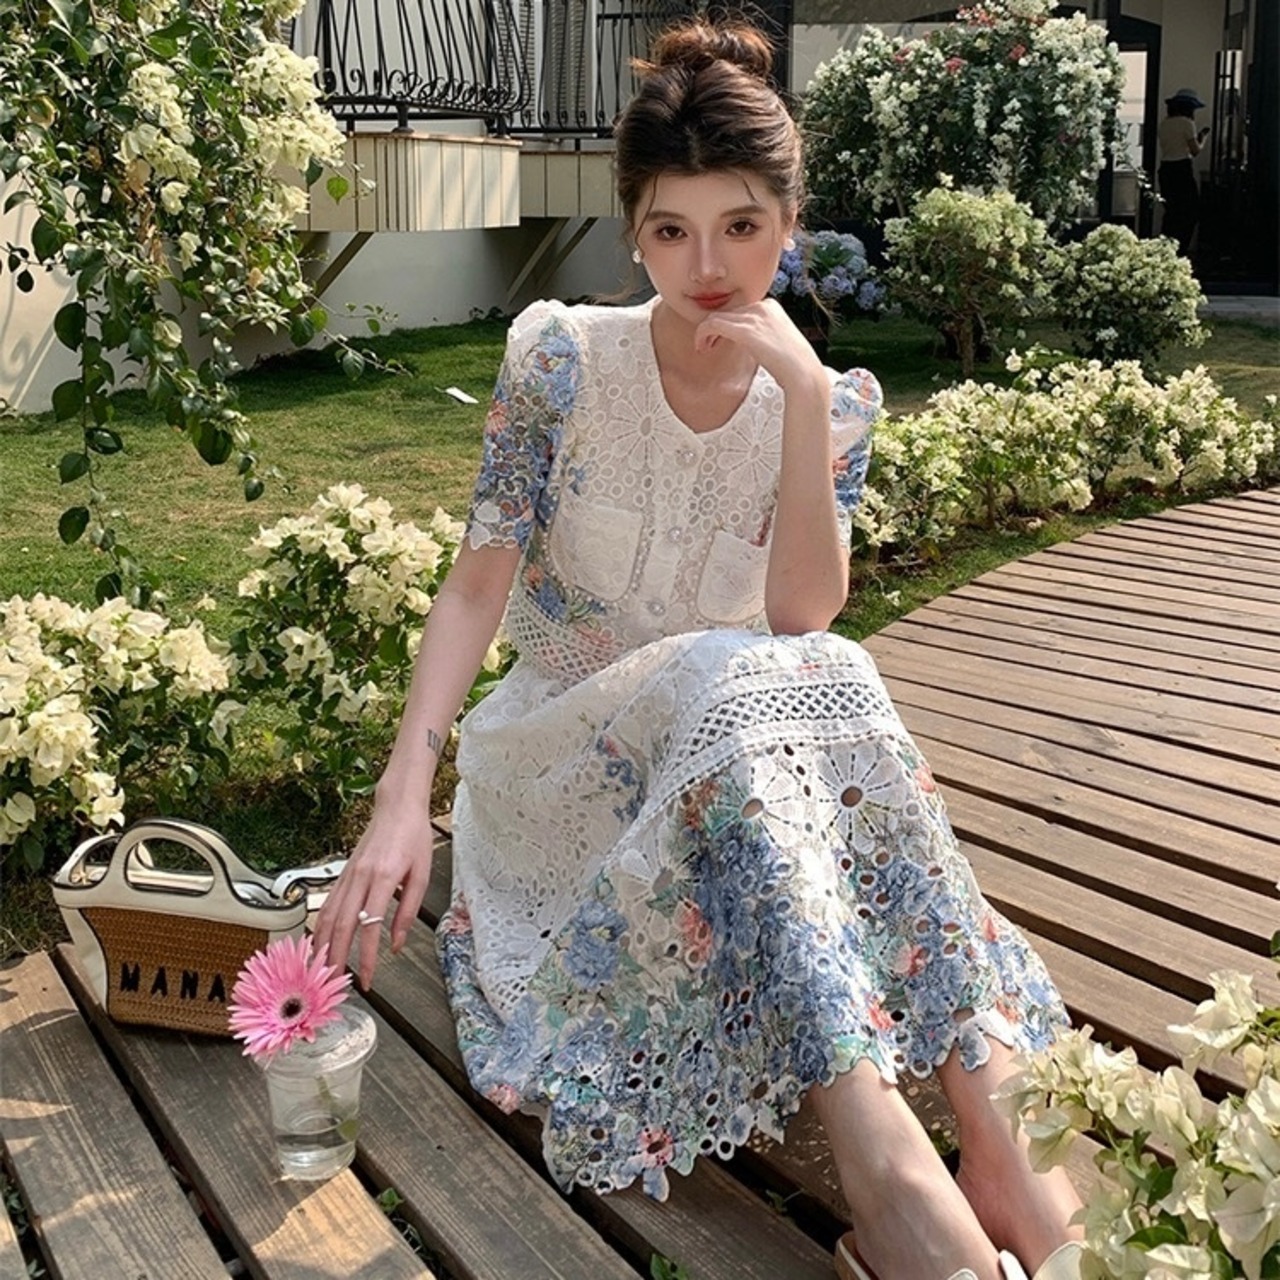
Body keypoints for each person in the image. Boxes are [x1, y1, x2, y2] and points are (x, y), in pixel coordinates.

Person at [314, 19, 1086, 1280]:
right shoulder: (560, 359)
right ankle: (896, 1172)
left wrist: (801, 398)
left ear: (790, 221)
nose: (708, 265)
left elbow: (803, 614)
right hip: (566, 773)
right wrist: (406, 794)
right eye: (670, 230)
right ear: (633, 231)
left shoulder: (830, 401)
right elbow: (474, 586)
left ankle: (988, 1130)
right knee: (768, 672)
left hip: (741, 784)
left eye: (739, 225)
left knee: (808, 666)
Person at [1158, 87, 1210, 255]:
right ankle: (1181, 250)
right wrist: (1203, 138)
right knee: (1190, 212)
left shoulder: (1164, 123)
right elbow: (1195, 151)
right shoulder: (1187, 123)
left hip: (1165, 169)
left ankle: (1165, 249)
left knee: (1171, 212)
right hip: (1181, 168)